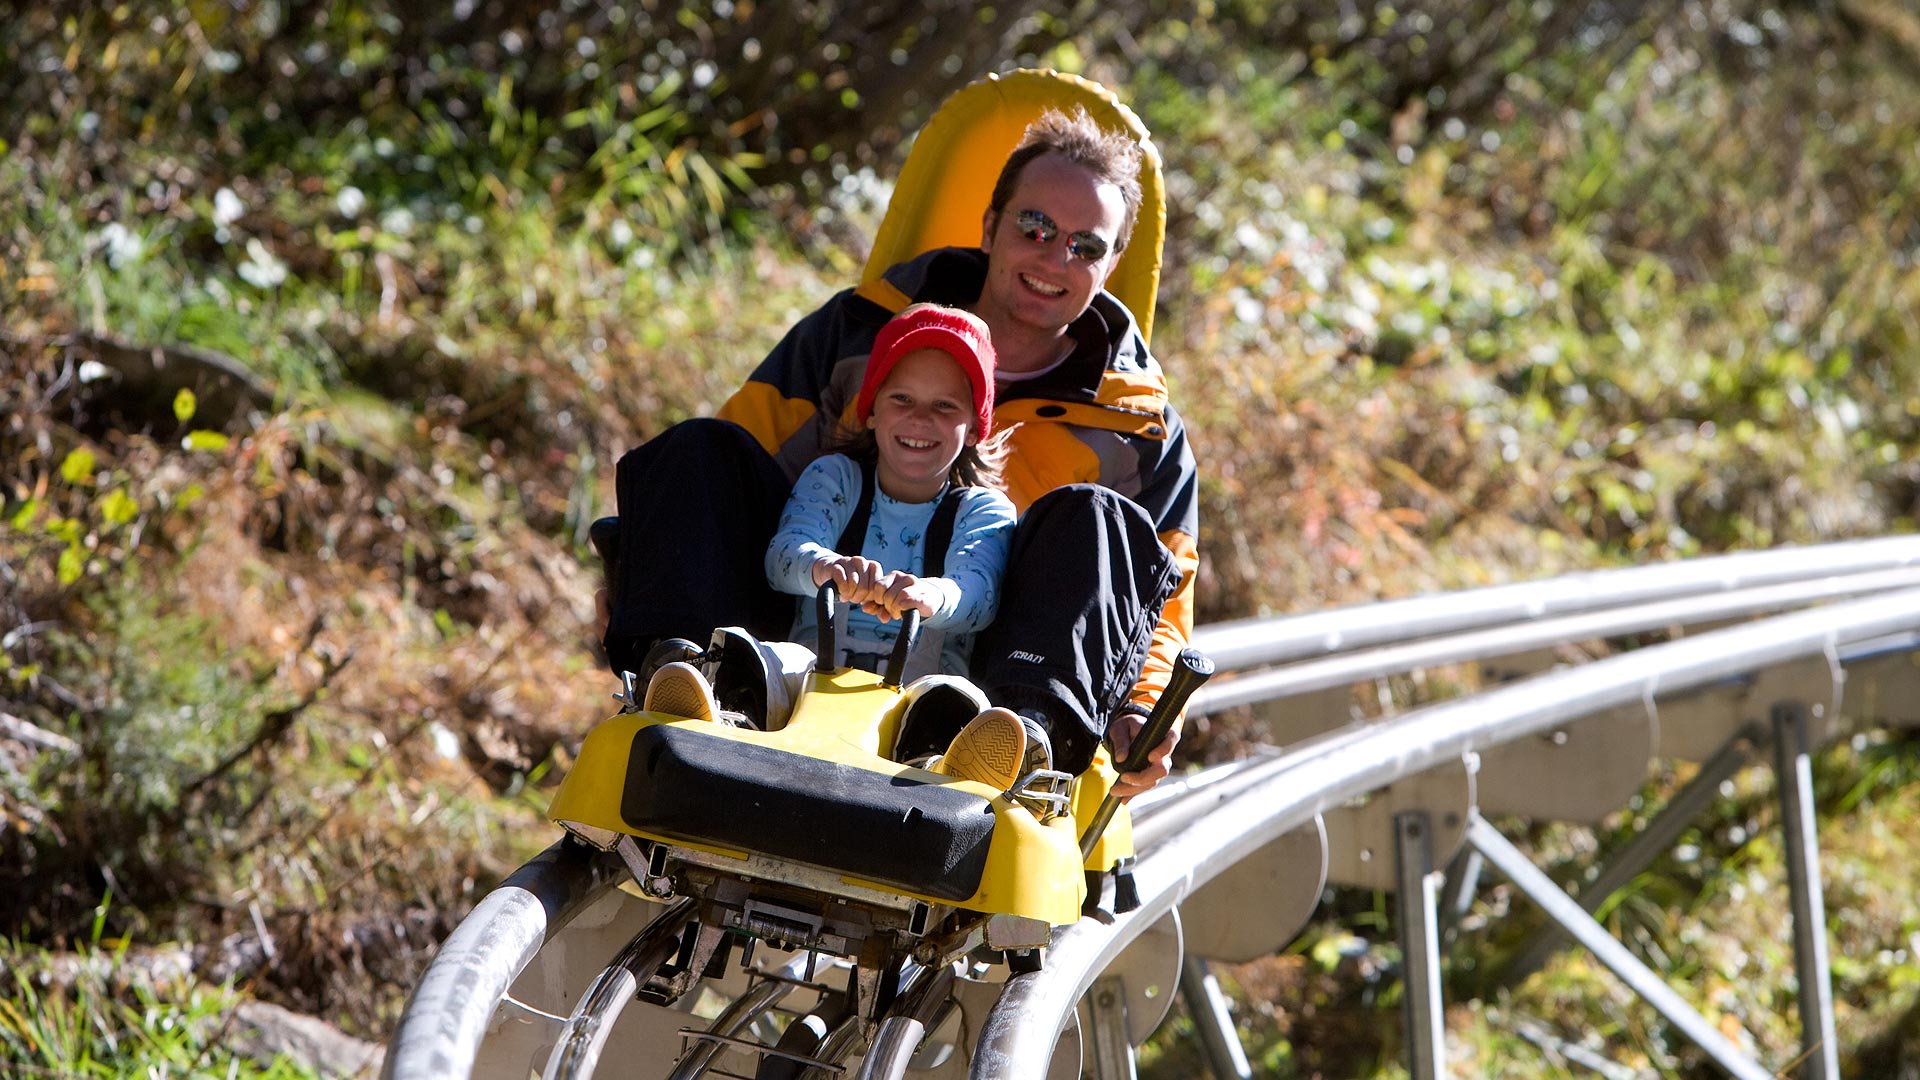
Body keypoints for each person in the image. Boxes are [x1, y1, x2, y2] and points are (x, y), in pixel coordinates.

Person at [607, 107, 1198, 799]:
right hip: (800, 631)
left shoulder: (1135, 425)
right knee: (699, 446)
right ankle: (684, 674)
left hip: (997, 673)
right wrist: (640, 578)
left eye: (1085, 246)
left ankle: (1023, 742)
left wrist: (1145, 711)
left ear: (1113, 263)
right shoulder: (857, 335)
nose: (1054, 258)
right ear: (989, 225)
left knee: (1095, 519)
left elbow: (1162, 592)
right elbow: (732, 472)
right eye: (1035, 228)